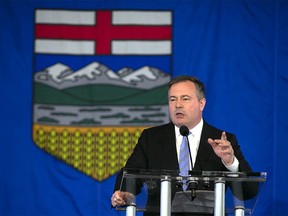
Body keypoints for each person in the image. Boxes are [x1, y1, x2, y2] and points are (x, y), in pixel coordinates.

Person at [111, 76, 257, 215]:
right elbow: (129, 175)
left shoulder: (222, 140)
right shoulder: (151, 138)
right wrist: (123, 194)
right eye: (172, 99)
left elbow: (249, 191)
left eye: (185, 99)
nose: (178, 105)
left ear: (202, 104)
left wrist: (230, 163)